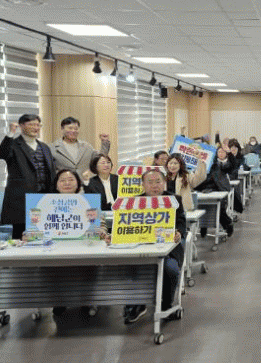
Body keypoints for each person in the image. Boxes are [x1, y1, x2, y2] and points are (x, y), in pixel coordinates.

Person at [102, 169, 186, 324]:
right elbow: (121, 224)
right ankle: (135, 304)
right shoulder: (132, 202)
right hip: (137, 250)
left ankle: (166, 304)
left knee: (171, 268)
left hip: (167, 251)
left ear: (164, 183)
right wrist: (112, 236)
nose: (154, 185)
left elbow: (181, 223)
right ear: (143, 185)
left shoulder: (175, 200)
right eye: (150, 182)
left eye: (158, 181)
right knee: (128, 268)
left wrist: (179, 233)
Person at [49, 169, 101, 317]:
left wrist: (101, 231)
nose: (67, 183)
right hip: (56, 248)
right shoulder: (47, 203)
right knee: (54, 268)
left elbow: (100, 222)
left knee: (88, 266)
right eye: (62, 180)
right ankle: (59, 301)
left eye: (71, 179)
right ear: (56, 185)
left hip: (85, 246)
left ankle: (88, 300)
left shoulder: (89, 202)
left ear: (78, 183)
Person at [0, 115, 55, 239]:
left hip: (43, 198)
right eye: (31, 124)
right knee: (20, 237)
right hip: (21, 199)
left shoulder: (44, 147)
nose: (36, 128)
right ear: (21, 126)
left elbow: (51, 171)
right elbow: (2, 154)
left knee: (44, 235)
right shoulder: (13, 144)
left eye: (38, 125)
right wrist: (10, 133)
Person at [194, 148, 236, 237]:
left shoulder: (221, 164)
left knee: (219, 209)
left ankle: (228, 225)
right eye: (219, 152)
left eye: (222, 152)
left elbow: (230, 166)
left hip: (219, 189)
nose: (221, 154)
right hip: (204, 190)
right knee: (202, 207)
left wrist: (229, 153)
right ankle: (203, 227)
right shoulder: (203, 164)